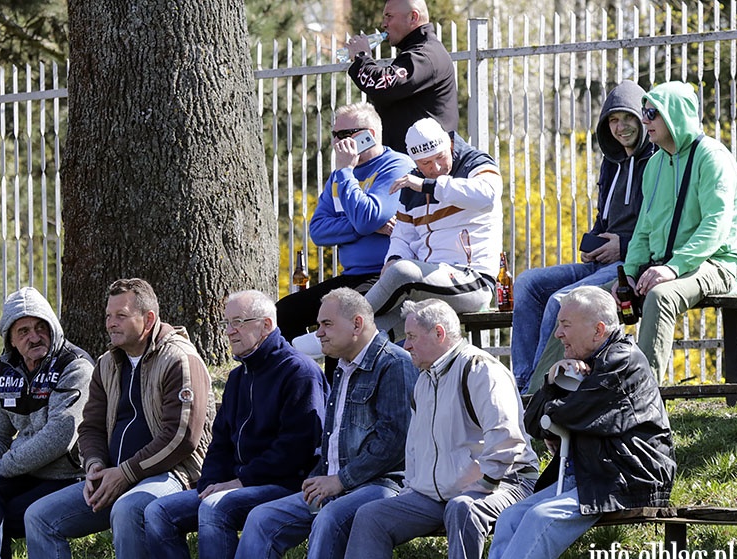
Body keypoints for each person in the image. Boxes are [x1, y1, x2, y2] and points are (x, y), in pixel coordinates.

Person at [482, 287, 676, 559]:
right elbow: (533, 424)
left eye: (566, 325)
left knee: (539, 518)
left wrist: (554, 413)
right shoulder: (582, 361)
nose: (557, 334)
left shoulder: (622, 360)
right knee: (509, 519)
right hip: (589, 471)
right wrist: (550, 380)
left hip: (626, 476)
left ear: (598, 329)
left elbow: (566, 416)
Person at [339, 298, 538, 559]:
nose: (406, 346)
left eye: (412, 337)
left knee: (462, 508)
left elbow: (506, 438)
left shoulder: (480, 369)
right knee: (371, 516)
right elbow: (416, 447)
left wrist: (483, 484)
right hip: (439, 492)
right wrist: (410, 491)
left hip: (506, 483)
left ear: (439, 334)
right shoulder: (424, 379)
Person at [24, 278, 213, 559]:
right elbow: (91, 427)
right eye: (108, 316)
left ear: (148, 319)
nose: (111, 323)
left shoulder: (179, 358)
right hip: (114, 475)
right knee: (39, 516)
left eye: (120, 316)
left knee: (126, 510)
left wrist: (126, 473)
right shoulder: (105, 364)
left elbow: (181, 437)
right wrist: (96, 466)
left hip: (174, 476)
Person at [231, 287, 416, 559]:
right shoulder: (342, 366)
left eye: (326, 324)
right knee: (261, 518)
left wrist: (339, 481)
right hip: (335, 482)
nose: (318, 333)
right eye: (318, 325)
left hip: (382, 484)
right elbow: (332, 437)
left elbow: (393, 442)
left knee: (329, 518)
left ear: (357, 324)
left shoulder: (394, 364)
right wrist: (320, 478)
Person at [143, 290, 326, 559]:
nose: (229, 331)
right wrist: (210, 483)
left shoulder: (299, 372)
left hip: (286, 485)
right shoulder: (238, 377)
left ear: (266, 325)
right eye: (227, 323)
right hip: (239, 483)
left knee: (215, 508)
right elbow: (221, 443)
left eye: (238, 322)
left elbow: (296, 450)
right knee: (159, 513)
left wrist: (241, 482)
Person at [511, 80, 656, 393]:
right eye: (613, 120)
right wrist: (592, 242)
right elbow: (605, 216)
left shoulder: (657, 161)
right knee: (528, 283)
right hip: (601, 261)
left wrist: (625, 246)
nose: (621, 127)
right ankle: (521, 380)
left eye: (628, 118)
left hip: (630, 266)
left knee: (560, 302)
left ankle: (538, 389)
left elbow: (659, 227)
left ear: (644, 118)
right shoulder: (611, 162)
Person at [614, 80, 737, 383]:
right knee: (586, 300)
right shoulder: (654, 164)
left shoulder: (712, 157)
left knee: (660, 296)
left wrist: (672, 268)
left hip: (715, 264)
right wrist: (629, 273)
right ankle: (550, 397)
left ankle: (644, 401)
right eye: (644, 112)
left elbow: (715, 227)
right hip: (667, 266)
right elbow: (643, 231)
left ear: (674, 114)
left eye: (652, 113)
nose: (644, 119)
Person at [0, 287, 93, 559]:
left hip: (69, 477)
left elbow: (58, 438)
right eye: (23, 331)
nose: (34, 337)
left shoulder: (74, 366)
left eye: (40, 328)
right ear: (10, 338)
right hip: (27, 476)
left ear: (52, 328)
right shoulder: (8, 369)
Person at [277, 102, 414, 347]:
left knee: (338, 322)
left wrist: (347, 175)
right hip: (351, 277)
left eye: (344, 135)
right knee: (284, 313)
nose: (337, 143)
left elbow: (368, 217)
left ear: (369, 136)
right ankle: (303, 377)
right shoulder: (340, 175)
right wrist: (367, 227)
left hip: (384, 276)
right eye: (334, 135)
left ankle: (339, 383)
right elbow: (318, 231)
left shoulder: (396, 166)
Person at [362, 117, 503, 338]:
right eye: (425, 164)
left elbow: (488, 195)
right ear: (414, 162)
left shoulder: (474, 162)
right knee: (368, 335)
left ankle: (348, 320)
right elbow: (402, 236)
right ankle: (337, 343)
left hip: (472, 282)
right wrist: (393, 258)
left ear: (449, 143)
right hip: (427, 286)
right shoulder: (412, 182)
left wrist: (429, 185)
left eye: (440, 157)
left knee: (403, 272)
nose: (435, 168)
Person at [344, 0, 458, 154]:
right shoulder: (416, 52)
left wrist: (362, 57)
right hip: (413, 161)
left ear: (413, 17)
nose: (384, 24)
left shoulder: (425, 55)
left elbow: (381, 85)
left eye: (389, 16)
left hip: (426, 165)